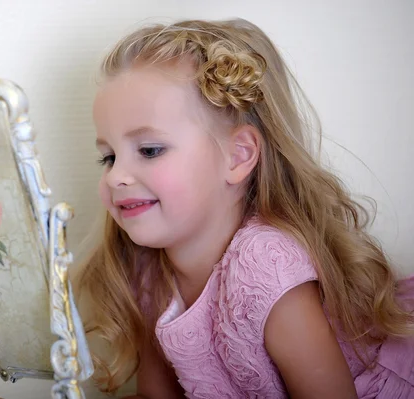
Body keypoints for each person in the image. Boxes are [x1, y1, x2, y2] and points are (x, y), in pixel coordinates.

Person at [74, 18, 414, 399]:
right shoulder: (148, 268)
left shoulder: (263, 266)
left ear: (238, 156)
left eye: (150, 150)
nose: (117, 176)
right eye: (108, 157)